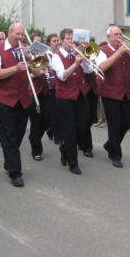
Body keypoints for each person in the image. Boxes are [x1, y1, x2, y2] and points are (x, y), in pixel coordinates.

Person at [0, 23, 34, 187]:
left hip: (23, 99)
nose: (21, 37)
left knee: (18, 134)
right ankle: (15, 172)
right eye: (18, 34)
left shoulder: (24, 49)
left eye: (22, 35)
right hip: (5, 99)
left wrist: (31, 59)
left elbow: (36, 71)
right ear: (9, 33)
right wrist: (15, 68)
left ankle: (9, 162)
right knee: (9, 136)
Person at [51, 28, 92, 175]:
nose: (70, 42)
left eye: (72, 39)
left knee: (82, 126)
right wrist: (75, 63)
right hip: (64, 97)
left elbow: (89, 71)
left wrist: (85, 59)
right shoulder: (56, 57)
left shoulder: (76, 54)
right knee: (70, 129)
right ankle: (73, 163)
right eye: (68, 39)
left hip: (79, 94)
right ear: (62, 41)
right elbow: (62, 76)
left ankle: (64, 149)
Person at [96, 26, 130, 168]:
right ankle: (115, 155)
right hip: (110, 93)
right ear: (109, 37)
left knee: (127, 122)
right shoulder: (103, 51)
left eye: (120, 34)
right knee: (114, 124)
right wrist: (118, 52)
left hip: (126, 91)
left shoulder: (126, 51)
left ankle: (110, 144)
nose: (119, 36)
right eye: (116, 34)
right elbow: (102, 67)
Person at [27, 33, 52, 161]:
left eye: (41, 42)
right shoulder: (28, 55)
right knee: (35, 121)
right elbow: (25, 75)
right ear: (31, 44)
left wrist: (48, 69)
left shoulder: (46, 56)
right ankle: (36, 149)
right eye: (36, 42)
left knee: (47, 120)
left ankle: (33, 137)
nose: (39, 45)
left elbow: (50, 72)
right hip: (33, 92)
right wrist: (36, 73)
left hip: (46, 91)